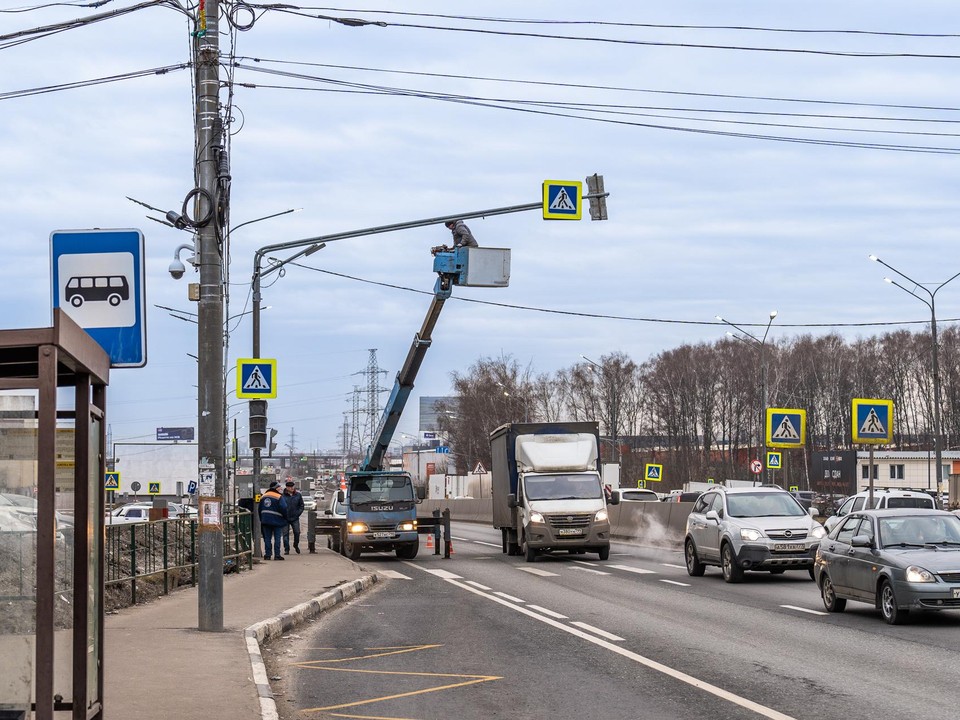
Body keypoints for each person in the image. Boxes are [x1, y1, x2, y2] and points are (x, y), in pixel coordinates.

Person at [258, 481, 288, 560]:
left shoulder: (264, 496)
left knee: (267, 538)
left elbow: (259, 509)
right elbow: (284, 508)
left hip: (265, 521)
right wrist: (285, 517)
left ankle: (267, 555)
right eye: (279, 487)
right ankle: (277, 555)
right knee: (277, 538)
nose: (280, 488)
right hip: (277, 521)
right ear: (275, 488)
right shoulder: (279, 496)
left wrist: (262, 519)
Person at [283, 480, 305, 555]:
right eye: (290, 487)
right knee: (285, 534)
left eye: (292, 486)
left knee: (297, 532)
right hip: (285, 518)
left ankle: (296, 545)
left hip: (295, 517)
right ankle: (286, 549)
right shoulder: (283, 496)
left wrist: (298, 513)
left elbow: (301, 506)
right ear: (287, 488)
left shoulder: (298, 495)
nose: (292, 488)